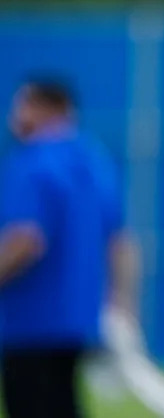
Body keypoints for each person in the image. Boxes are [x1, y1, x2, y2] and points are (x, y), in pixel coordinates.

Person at [0, 79, 136, 417]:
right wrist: (122, 304)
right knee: (64, 403)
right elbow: (120, 242)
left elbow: (25, 239)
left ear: (46, 108)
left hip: (29, 319)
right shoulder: (95, 162)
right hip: (78, 316)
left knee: (31, 403)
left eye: (22, 106)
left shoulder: (32, 161)